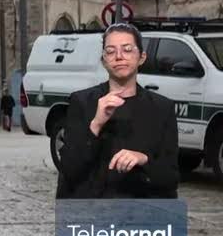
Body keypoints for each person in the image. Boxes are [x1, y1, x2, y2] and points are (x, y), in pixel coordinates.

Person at [56, 23, 179, 199]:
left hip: (142, 214)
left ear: (141, 57)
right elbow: (68, 169)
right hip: (93, 214)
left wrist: (143, 160)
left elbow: (171, 178)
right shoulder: (82, 102)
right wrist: (96, 124)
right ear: (103, 60)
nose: (119, 56)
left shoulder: (162, 108)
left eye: (127, 49)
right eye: (111, 51)